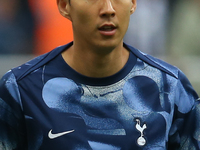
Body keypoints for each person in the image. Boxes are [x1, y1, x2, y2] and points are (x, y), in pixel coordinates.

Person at [0, 0, 199, 149]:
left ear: (133, 3)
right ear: (64, 6)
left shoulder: (171, 88)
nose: (108, 9)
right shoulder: (20, 90)